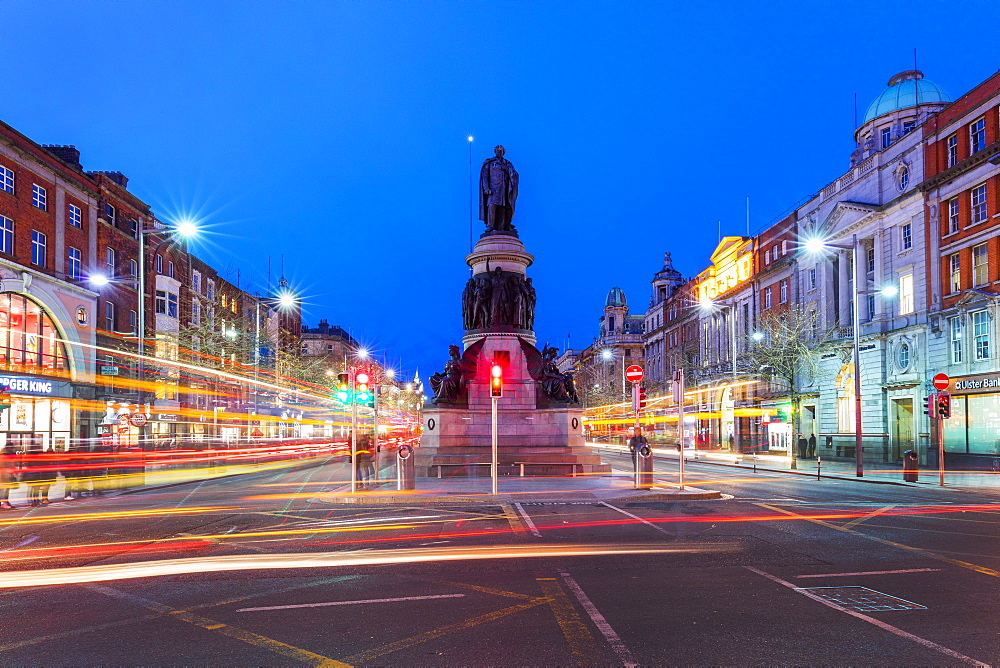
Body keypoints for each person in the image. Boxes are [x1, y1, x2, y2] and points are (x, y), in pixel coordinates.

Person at [0, 445, 18, 509]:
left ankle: (6, 502)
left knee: (6, 490)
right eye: (11, 448)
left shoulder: (9, 455)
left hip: (8, 475)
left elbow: (13, 464)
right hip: (3, 475)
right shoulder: (3, 456)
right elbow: (2, 466)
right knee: (3, 490)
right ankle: (4, 503)